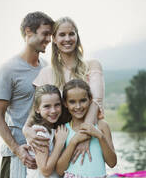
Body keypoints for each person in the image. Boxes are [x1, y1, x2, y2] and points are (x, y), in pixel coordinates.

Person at [0, 11, 54, 178]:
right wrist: (18, 150)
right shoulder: (7, 70)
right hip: (18, 154)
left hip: (43, 157)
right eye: (45, 34)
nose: (49, 39)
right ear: (29, 32)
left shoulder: (46, 67)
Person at [24, 17, 105, 163]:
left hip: (88, 136)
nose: (67, 39)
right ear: (54, 39)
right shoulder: (46, 73)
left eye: (71, 34)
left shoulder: (92, 65)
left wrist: (84, 136)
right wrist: (26, 130)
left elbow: (96, 102)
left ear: (77, 36)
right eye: (62, 35)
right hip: (59, 141)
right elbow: (36, 108)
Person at [55, 79, 117, 178]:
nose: (78, 106)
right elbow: (60, 170)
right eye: (72, 102)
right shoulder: (63, 130)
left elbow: (112, 162)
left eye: (82, 100)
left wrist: (99, 136)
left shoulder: (102, 126)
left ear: (90, 99)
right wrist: (73, 141)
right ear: (65, 103)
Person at [23, 84, 68, 178]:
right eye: (47, 106)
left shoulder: (54, 129)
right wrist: (59, 144)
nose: (53, 110)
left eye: (57, 105)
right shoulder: (40, 132)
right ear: (37, 109)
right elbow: (45, 170)